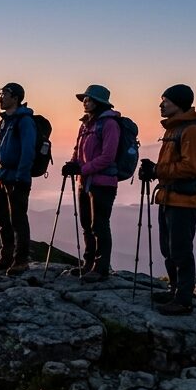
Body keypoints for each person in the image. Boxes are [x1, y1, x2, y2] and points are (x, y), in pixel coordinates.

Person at [139, 83, 196, 315]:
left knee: (181, 251)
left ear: (178, 104)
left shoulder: (191, 131)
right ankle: (175, 291)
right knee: (168, 250)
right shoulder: (173, 129)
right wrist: (156, 169)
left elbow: (191, 167)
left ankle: (183, 299)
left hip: (183, 202)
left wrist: (157, 170)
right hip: (168, 198)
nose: (161, 105)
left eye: (165, 101)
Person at [62, 84, 122, 283]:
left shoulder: (110, 124)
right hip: (85, 182)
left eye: (88, 99)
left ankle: (101, 267)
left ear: (99, 102)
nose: (84, 102)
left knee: (100, 225)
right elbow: (77, 150)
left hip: (103, 183)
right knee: (86, 224)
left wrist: (82, 169)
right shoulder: (86, 124)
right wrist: (72, 164)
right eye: (84, 99)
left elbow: (108, 156)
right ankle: (88, 263)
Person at [0, 82, 36, 275]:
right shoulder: (3, 122)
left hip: (17, 177)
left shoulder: (24, 121)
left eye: (4, 94)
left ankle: (20, 260)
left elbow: (28, 151)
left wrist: (20, 177)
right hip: (3, 176)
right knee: (3, 219)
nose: (0, 97)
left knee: (18, 219)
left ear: (15, 98)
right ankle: (6, 257)